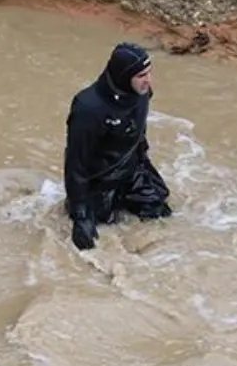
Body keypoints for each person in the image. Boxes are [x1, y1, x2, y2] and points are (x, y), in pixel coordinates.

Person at [63, 42, 173, 251]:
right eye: (141, 75)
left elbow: (139, 126)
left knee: (160, 211)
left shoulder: (142, 92)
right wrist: (80, 214)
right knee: (95, 240)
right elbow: (75, 162)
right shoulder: (88, 108)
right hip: (99, 180)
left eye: (149, 73)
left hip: (131, 165)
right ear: (124, 76)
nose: (148, 80)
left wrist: (144, 160)